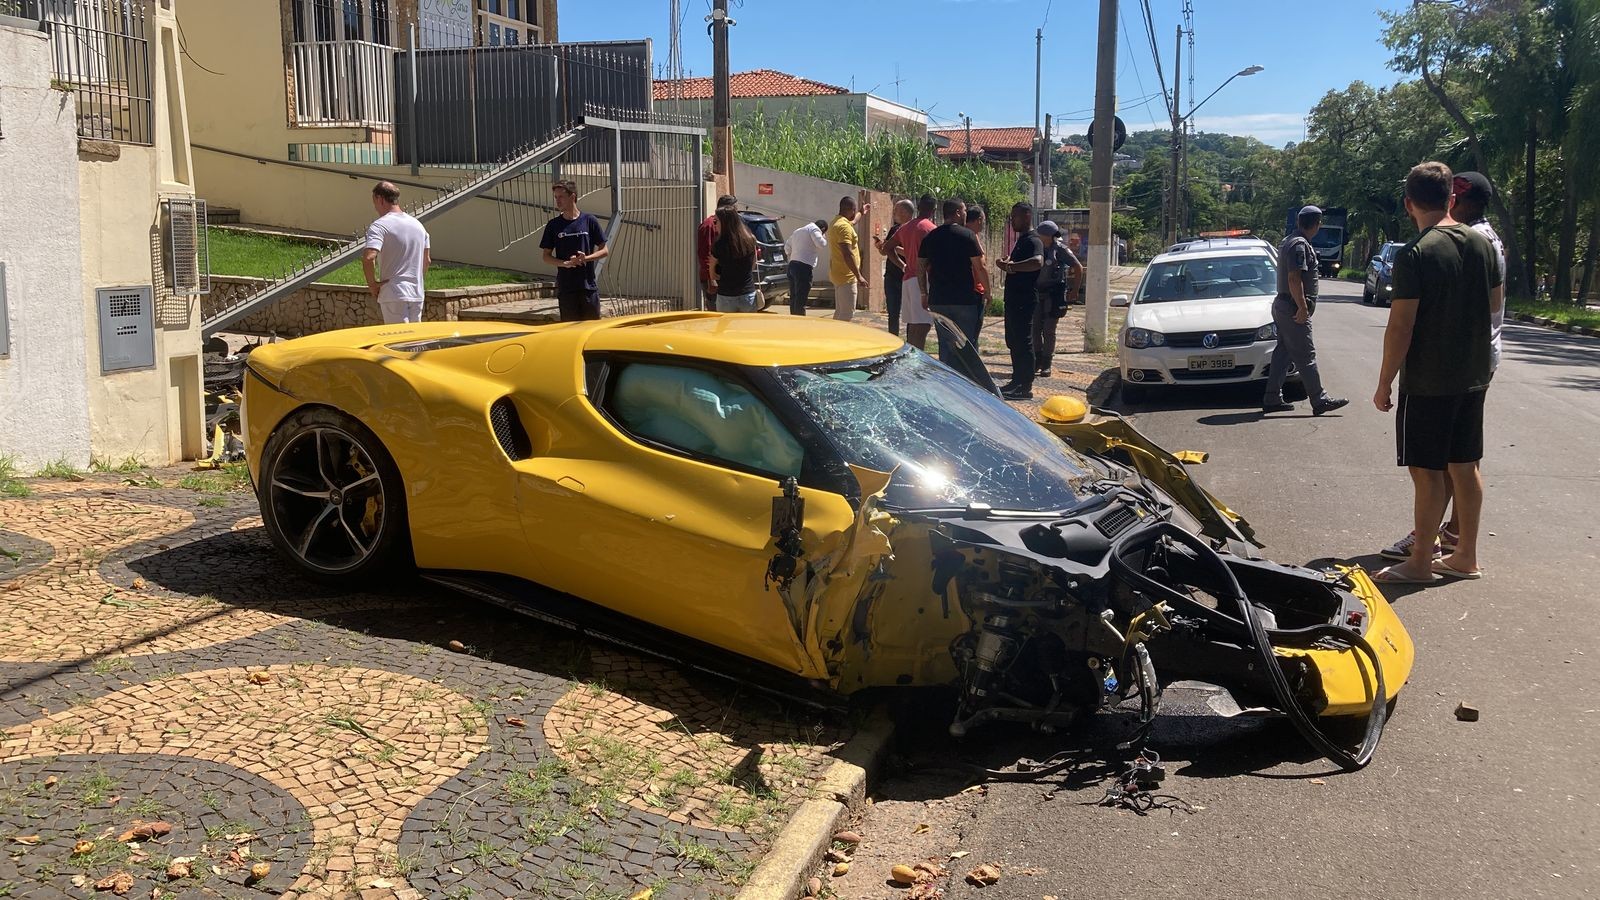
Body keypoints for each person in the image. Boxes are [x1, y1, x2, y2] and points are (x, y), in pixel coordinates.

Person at [1373, 162, 1502, 583]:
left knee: (1427, 473)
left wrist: (1384, 381)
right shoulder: (1484, 244)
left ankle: (1421, 562)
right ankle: (1467, 555)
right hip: (1474, 375)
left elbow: (1401, 325)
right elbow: (1496, 305)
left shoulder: (1417, 253)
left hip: (1429, 381)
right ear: (1451, 199)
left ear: (1409, 204)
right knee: (1465, 465)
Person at [1262, 205, 1350, 415]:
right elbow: (1294, 278)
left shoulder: (1289, 241)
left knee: (1283, 353)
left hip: (1283, 305)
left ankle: (1272, 397)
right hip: (1292, 307)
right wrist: (1302, 306)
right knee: (1305, 354)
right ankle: (1319, 400)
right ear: (1317, 224)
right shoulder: (1299, 245)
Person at [918, 198, 989, 366]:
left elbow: (920, 267)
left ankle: (949, 380)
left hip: (939, 299)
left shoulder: (931, 236)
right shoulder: (968, 235)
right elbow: (979, 267)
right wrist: (988, 291)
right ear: (957, 212)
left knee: (945, 343)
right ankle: (968, 381)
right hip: (964, 299)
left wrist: (923, 293)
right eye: (964, 210)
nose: (966, 214)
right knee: (966, 344)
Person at [540, 179, 610, 321]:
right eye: (556, 197)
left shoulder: (589, 221)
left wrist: (586, 258)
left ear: (572, 197)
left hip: (588, 287)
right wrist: (564, 263)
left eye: (561, 197)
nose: (557, 201)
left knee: (591, 329)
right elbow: (546, 256)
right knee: (569, 332)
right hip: (566, 288)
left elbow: (604, 250)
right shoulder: (553, 225)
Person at [362, 181, 431, 324]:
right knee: (415, 340)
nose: (375, 207)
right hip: (416, 293)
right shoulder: (418, 225)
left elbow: (369, 257)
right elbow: (427, 260)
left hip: (393, 293)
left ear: (380, 199)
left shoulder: (379, 226)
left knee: (399, 340)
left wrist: (372, 285)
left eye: (374, 202)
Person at [995, 202, 1044, 400]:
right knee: (1014, 341)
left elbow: (1037, 262)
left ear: (1026, 216)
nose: (1011, 220)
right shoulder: (1022, 240)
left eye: (1014, 216)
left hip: (1024, 299)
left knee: (1023, 342)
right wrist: (1007, 264)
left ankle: (1024, 385)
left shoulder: (1033, 240)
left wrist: (1011, 267)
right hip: (1015, 299)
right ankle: (1016, 381)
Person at [884, 194, 938, 350]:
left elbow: (888, 248)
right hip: (922, 281)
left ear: (919, 208)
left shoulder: (905, 228)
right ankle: (917, 362)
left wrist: (902, 266)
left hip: (907, 279)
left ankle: (912, 357)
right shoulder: (931, 229)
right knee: (922, 326)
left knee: (914, 326)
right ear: (934, 210)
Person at [1031, 220, 1080, 378]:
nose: (1039, 236)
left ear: (1049, 236)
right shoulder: (1035, 247)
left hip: (1054, 294)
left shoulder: (1060, 249)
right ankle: (1037, 360)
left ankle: (1047, 364)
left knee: (1049, 330)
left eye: (1042, 234)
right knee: (1035, 329)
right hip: (1037, 293)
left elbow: (1077, 267)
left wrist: (1074, 291)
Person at [873, 200, 915, 334]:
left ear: (904, 212)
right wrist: (881, 247)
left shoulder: (915, 230)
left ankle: (912, 342)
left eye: (896, 210)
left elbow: (913, 252)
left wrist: (893, 247)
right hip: (892, 277)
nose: (894, 213)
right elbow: (885, 251)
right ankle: (893, 340)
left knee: (911, 314)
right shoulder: (894, 229)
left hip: (908, 276)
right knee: (893, 313)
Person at [710, 203, 761, 312]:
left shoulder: (719, 244)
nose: (715, 225)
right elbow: (753, 264)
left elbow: (712, 268)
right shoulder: (750, 239)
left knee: (726, 328)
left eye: (716, 221)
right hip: (747, 294)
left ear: (724, 223)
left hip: (726, 295)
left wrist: (715, 277)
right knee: (747, 328)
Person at [827, 196, 869, 321]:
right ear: (851, 209)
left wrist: (861, 212)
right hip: (847, 276)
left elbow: (853, 222)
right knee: (847, 315)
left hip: (838, 274)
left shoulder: (836, 222)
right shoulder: (844, 227)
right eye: (855, 210)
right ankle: (841, 339)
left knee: (840, 312)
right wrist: (859, 276)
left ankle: (833, 338)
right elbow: (847, 253)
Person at [698, 195, 737, 310]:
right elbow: (704, 255)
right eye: (735, 208)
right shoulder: (709, 226)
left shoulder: (729, 225)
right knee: (716, 313)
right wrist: (712, 280)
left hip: (726, 277)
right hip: (713, 278)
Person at [783, 217, 828, 316]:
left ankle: (794, 319)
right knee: (801, 296)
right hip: (803, 267)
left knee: (794, 296)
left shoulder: (797, 231)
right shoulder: (814, 229)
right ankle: (800, 322)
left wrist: (794, 253)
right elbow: (821, 244)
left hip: (792, 265)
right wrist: (823, 236)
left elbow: (787, 247)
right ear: (823, 229)